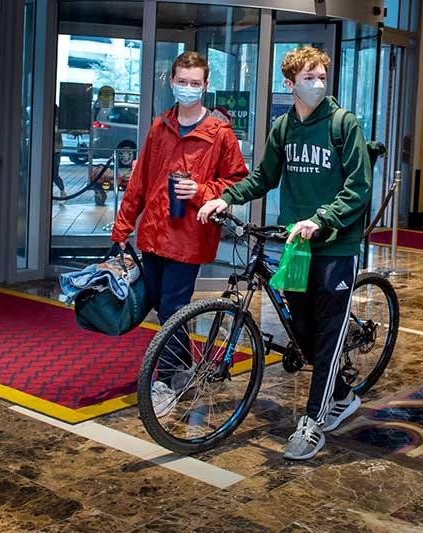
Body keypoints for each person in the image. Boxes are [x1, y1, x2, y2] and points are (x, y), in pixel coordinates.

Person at [198, 46, 372, 461]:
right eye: (309, 77)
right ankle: (344, 395)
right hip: (297, 246)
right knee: (304, 330)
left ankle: (313, 423)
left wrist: (323, 218)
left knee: (328, 337)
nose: (317, 84)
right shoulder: (283, 127)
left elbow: (359, 187)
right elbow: (264, 176)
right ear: (289, 84)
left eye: (321, 76)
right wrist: (228, 198)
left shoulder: (343, 125)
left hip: (335, 246)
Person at [111, 51, 248, 416]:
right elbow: (140, 182)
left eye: (195, 83)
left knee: (173, 309)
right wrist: (122, 226)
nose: (187, 89)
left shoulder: (219, 133)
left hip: (189, 237)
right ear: (171, 82)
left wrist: (201, 191)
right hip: (154, 233)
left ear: (205, 86)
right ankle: (187, 366)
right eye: (182, 82)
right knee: (160, 305)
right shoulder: (160, 126)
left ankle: (165, 381)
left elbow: (237, 180)